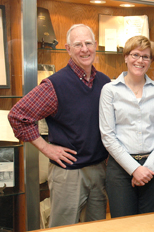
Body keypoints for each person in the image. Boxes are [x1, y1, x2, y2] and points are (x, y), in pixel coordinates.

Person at [8, 24, 110, 227]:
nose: (84, 49)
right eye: (78, 44)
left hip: (99, 170)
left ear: (95, 46)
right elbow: (18, 116)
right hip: (68, 174)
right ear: (68, 49)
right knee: (63, 228)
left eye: (88, 43)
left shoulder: (105, 83)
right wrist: (46, 148)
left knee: (98, 228)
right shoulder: (54, 85)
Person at [99, 35, 154, 218]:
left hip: (153, 168)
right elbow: (108, 135)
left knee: (150, 224)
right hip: (120, 169)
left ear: (151, 61)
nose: (140, 60)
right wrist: (134, 169)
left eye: (146, 56)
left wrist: (148, 167)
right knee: (124, 225)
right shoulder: (110, 90)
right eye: (135, 55)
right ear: (125, 57)